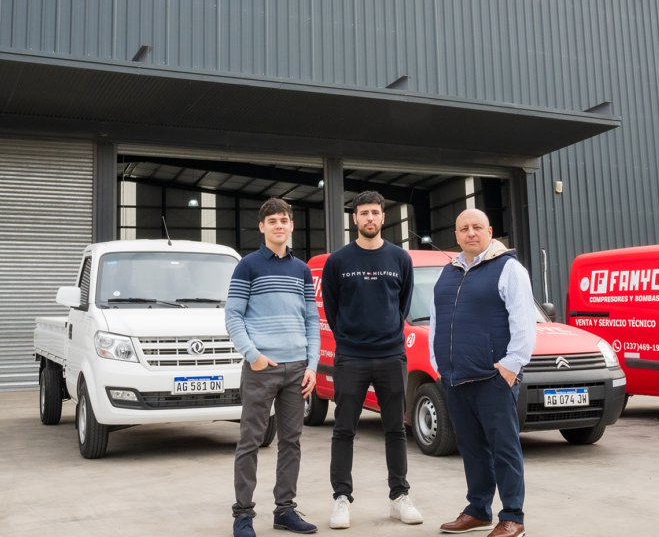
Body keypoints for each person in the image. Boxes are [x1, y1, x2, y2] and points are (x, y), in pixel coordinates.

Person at [429, 208, 537, 537]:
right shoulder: (448, 271)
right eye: (464, 229)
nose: (470, 233)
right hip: (456, 377)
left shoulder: (509, 269)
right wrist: (437, 365)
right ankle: (478, 508)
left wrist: (511, 365)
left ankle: (512, 516)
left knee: (503, 447)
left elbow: (524, 321)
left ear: (490, 231)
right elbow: (437, 320)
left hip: (493, 378)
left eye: (477, 227)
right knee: (471, 447)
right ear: (457, 235)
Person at [320, 190, 422, 529]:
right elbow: (333, 309)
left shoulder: (399, 259)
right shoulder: (338, 261)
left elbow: (403, 303)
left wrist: (388, 331)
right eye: (364, 213)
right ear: (355, 219)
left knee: (395, 429)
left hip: (392, 355)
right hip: (351, 357)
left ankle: (399, 497)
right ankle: (341, 499)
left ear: (383, 217)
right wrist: (350, 336)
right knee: (344, 429)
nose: (370, 218)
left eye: (375, 212)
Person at [225, 198, 320, 537]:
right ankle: (243, 515)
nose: (279, 225)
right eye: (272, 221)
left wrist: (312, 364)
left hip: (297, 370)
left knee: (291, 442)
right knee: (250, 440)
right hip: (261, 368)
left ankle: (285, 511)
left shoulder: (302, 269)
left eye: (284, 220)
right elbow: (233, 316)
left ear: (291, 226)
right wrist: (254, 356)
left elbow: (312, 319)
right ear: (262, 227)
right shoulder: (247, 266)